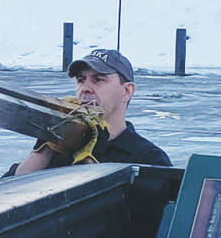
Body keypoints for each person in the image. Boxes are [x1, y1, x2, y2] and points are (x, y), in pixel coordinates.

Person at [12, 47, 171, 174]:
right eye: (81, 80)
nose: (85, 89)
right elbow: (5, 196)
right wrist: (45, 147)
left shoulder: (148, 159)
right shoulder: (60, 147)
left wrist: (91, 159)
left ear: (127, 92)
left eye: (98, 79)